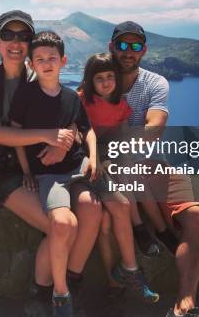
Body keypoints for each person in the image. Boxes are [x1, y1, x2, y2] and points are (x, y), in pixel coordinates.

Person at [10, 31, 159, 316]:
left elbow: (87, 129)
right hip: (49, 175)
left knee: (118, 204)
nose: (46, 63)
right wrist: (27, 170)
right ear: (31, 63)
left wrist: (93, 158)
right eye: (39, 59)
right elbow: (17, 134)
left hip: (80, 167)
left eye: (52, 58)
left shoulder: (69, 97)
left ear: (63, 61)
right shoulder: (25, 96)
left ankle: (129, 270)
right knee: (63, 223)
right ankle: (61, 293)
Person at [0, 11, 104, 314]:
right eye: (8, 35)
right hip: (7, 173)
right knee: (63, 227)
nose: (16, 43)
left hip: (46, 169)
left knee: (91, 213)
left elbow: (69, 115)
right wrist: (50, 136)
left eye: (23, 36)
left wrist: (64, 141)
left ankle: (70, 282)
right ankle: (44, 295)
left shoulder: (38, 75)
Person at [109, 21, 199, 317]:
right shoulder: (98, 80)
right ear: (112, 47)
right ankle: (160, 232)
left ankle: (185, 304)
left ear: (144, 50)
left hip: (151, 164)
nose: (129, 51)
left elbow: (155, 128)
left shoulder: (155, 83)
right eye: (123, 45)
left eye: (135, 46)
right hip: (114, 169)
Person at [77, 52, 179, 294]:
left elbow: (121, 135)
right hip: (88, 156)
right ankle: (143, 230)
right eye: (99, 78)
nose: (105, 82)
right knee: (125, 182)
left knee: (131, 176)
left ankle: (152, 231)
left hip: (111, 153)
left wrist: (123, 155)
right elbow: (81, 133)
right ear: (90, 80)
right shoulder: (82, 101)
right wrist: (98, 159)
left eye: (110, 77)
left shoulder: (121, 105)